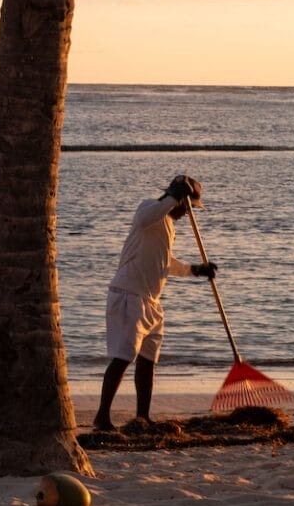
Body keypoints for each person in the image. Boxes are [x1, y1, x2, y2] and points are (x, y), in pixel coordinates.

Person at [91, 173, 216, 432]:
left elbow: (164, 263)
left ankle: (143, 416)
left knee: (148, 360)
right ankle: (102, 417)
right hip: (128, 294)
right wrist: (173, 196)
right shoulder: (148, 209)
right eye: (188, 207)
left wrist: (195, 270)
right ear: (178, 199)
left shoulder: (168, 226)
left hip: (151, 301)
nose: (187, 213)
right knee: (123, 357)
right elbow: (145, 218)